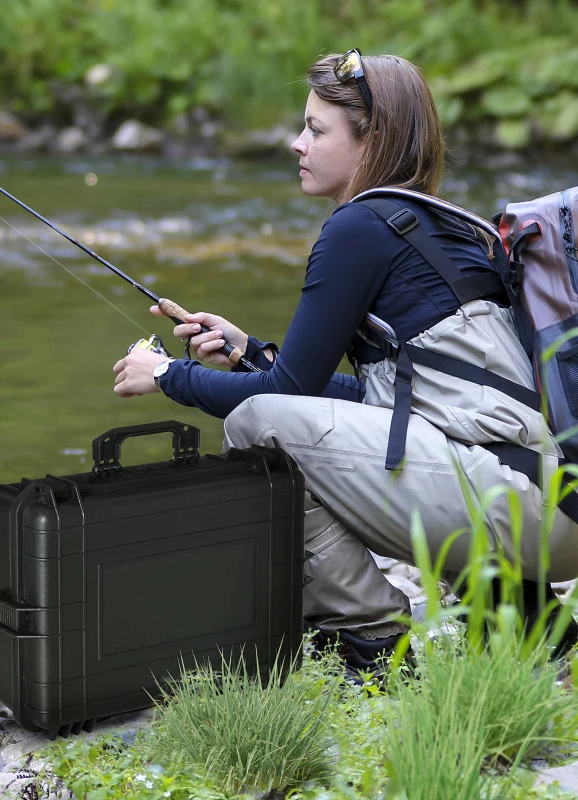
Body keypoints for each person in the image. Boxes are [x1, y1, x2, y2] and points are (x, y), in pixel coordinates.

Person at [111, 50, 578, 673]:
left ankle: (372, 640)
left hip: (518, 506)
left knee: (257, 427)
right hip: (550, 506)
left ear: (373, 139)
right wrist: (252, 352)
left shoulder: (358, 228)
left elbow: (282, 398)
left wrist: (169, 375)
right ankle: (526, 622)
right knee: (286, 414)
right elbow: (384, 406)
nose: (296, 143)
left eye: (315, 129)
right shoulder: (438, 227)